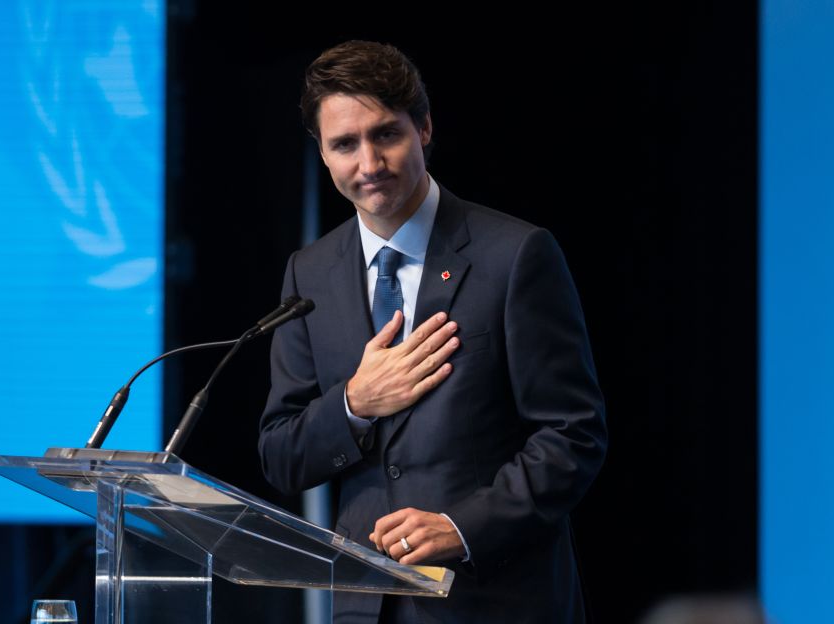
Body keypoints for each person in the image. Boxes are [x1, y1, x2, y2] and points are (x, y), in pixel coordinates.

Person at [258, 40, 608, 623]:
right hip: (367, 607)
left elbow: (573, 436)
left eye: (385, 134)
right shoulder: (309, 272)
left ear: (423, 128)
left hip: (494, 602)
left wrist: (460, 527)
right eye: (345, 144)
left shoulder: (516, 255)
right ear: (322, 154)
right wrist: (353, 404)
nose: (369, 164)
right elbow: (280, 453)